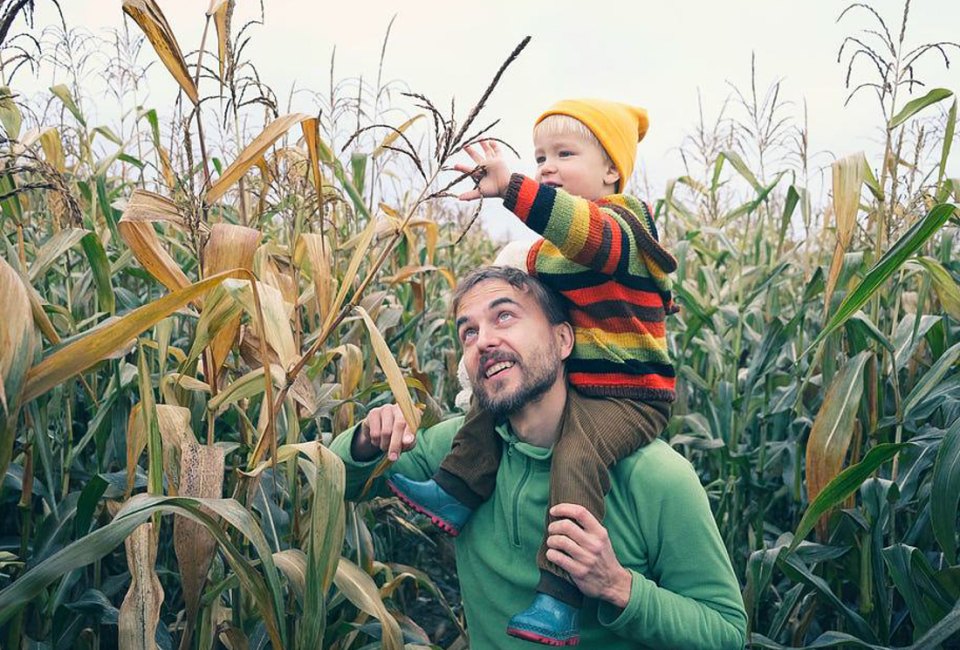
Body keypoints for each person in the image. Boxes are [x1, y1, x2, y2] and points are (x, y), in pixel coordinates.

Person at [385, 99, 680, 644]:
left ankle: (560, 597)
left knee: (578, 453)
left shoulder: (624, 223)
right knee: (491, 382)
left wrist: (513, 187)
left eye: (565, 153)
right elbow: (525, 291)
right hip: (585, 381)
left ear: (612, 171)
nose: (547, 165)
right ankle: (457, 487)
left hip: (631, 394)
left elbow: (586, 235)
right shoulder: (550, 251)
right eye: (540, 155)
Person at [329, 267, 747, 649]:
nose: (484, 342)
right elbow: (334, 481)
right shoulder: (457, 451)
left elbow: (726, 633)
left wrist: (619, 586)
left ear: (563, 340)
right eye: (468, 333)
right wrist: (366, 440)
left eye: (504, 316)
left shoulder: (656, 476)